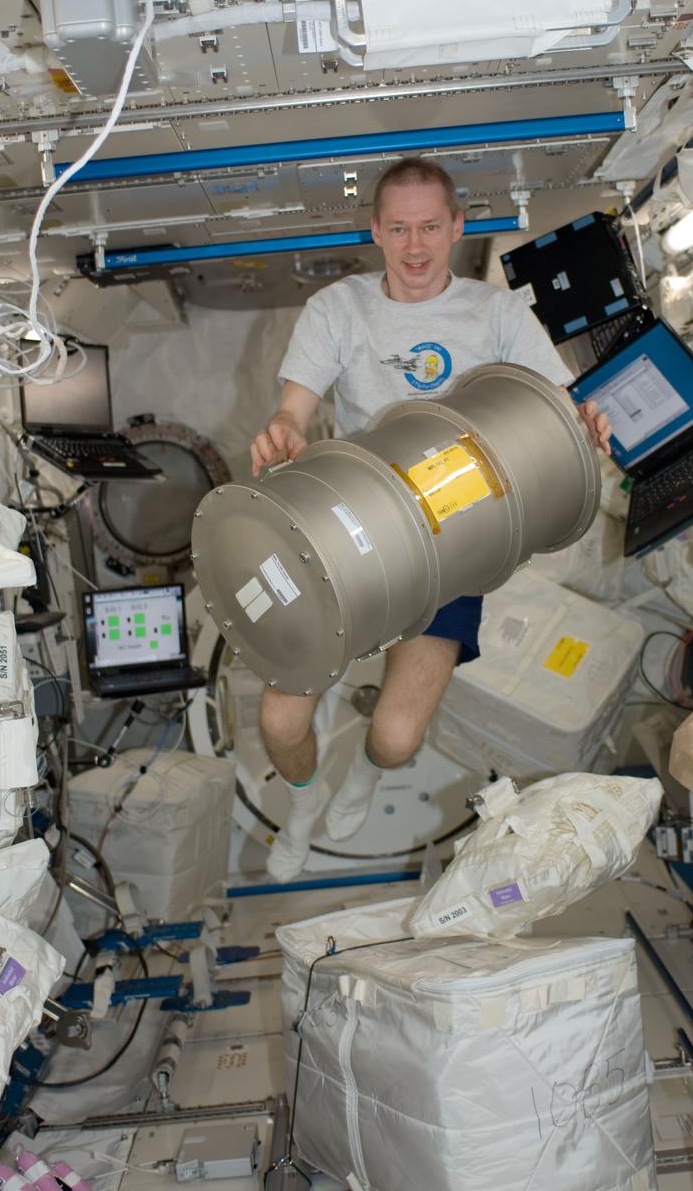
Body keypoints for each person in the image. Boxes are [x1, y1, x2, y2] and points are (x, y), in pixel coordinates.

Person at [250, 158, 612, 881]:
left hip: (452, 544)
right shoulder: (340, 309)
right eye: (399, 228)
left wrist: (585, 420)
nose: (415, 247)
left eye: (430, 228)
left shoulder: (498, 314)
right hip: (347, 534)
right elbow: (294, 408)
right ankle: (302, 798)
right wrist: (286, 430)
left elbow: (560, 403)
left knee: (394, 736)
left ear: (458, 227)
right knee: (279, 721)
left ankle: (363, 774)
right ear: (376, 230)